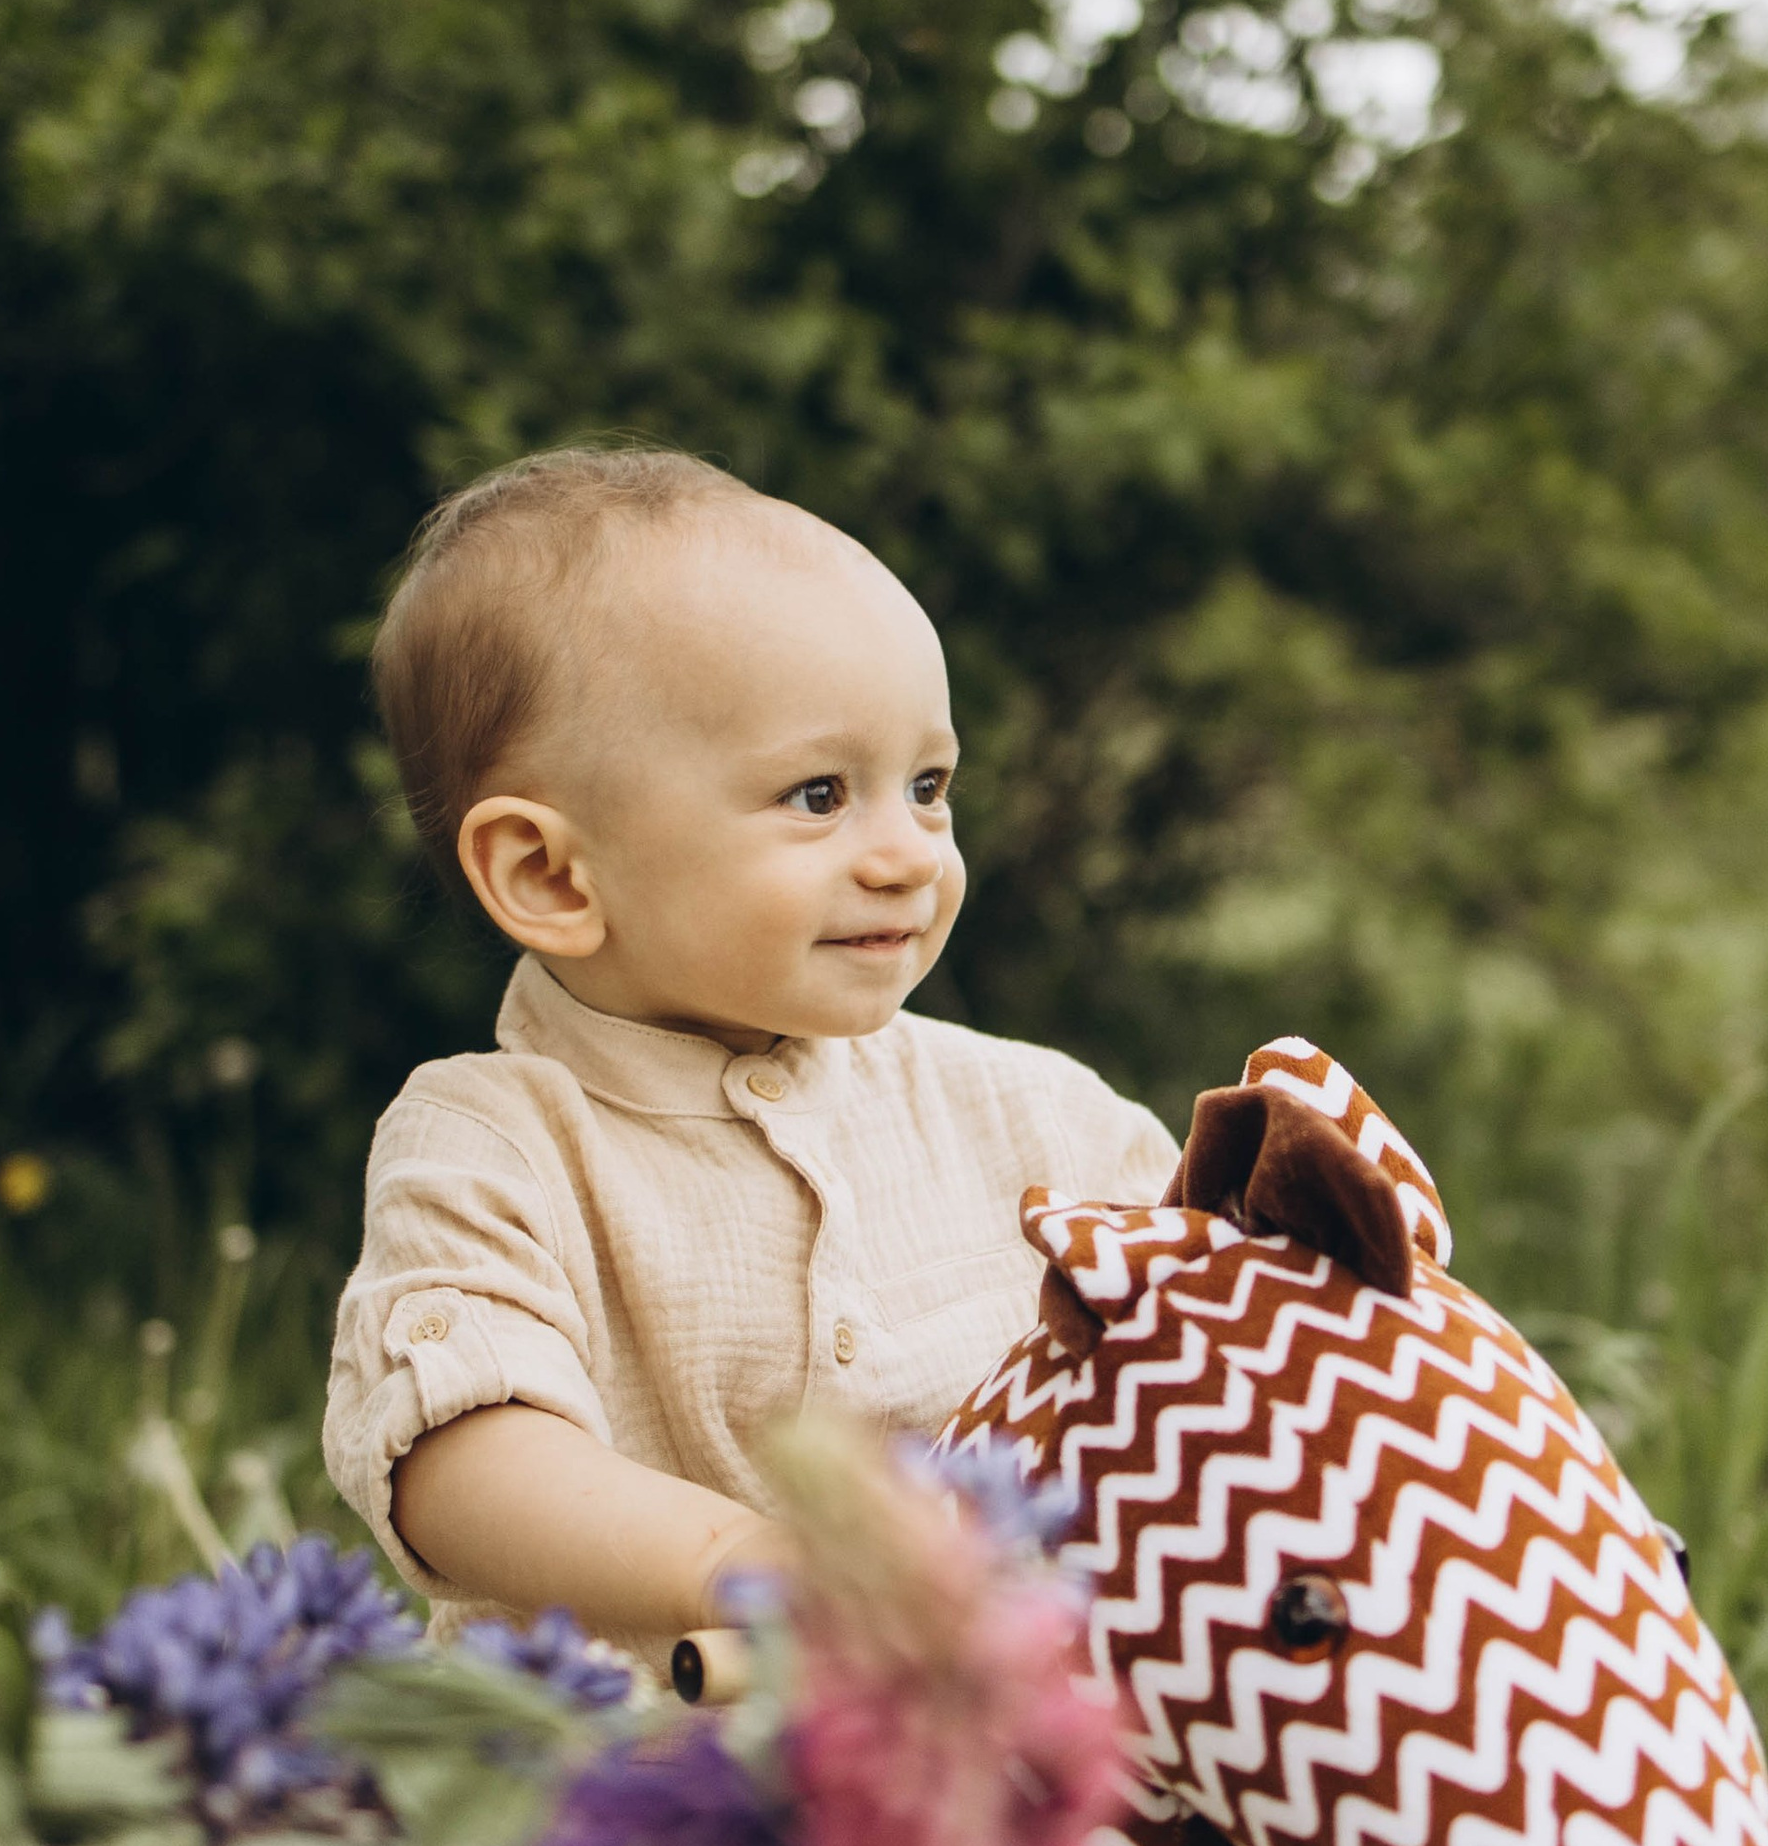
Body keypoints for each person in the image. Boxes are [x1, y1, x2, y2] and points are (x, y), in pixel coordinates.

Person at [322, 443, 1178, 1651]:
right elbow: (464, 1463)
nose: (908, 853)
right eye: (820, 795)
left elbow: (1224, 1355)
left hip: (1002, 1759)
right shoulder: (494, 1146)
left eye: (927, 785)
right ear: (551, 874)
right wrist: (750, 1569)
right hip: (642, 1793)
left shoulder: (1038, 1118)